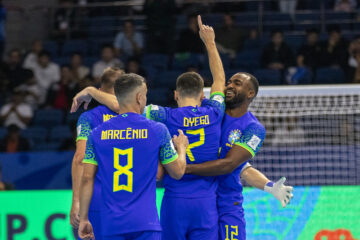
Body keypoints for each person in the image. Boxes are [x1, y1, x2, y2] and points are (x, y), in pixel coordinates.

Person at [78, 73, 188, 239]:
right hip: (146, 223)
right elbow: (177, 172)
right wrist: (181, 148)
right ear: (139, 97)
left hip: (111, 224)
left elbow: (87, 178)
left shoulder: (96, 134)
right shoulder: (158, 130)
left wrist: (84, 218)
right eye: (145, 96)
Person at [185, 71, 293, 239]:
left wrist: (270, 187)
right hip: (197, 199)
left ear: (250, 93)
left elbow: (235, 165)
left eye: (237, 83)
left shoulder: (253, 128)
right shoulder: (209, 111)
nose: (229, 86)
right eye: (229, 82)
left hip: (227, 203)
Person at [70, 67, 124, 240]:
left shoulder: (88, 118)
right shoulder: (139, 115)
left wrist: (76, 201)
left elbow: (80, 159)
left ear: (100, 92)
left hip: (97, 197)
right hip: (131, 196)